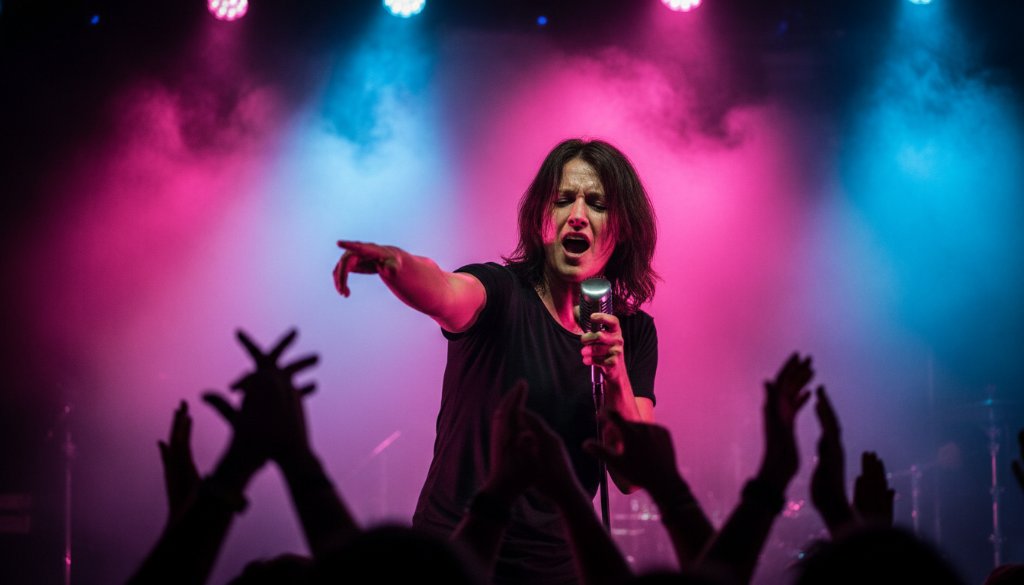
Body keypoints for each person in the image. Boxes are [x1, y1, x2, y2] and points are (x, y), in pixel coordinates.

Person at [332, 138, 660, 585]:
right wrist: (398, 263)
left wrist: (615, 374)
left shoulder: (633, 332)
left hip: (556, 570)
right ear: (542, 218)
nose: (577, 214)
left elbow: (633, 476)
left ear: (623, 227)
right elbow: (445, 289)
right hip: (454, 557)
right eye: (563, 199)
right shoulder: (502, 292)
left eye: (597, 203)